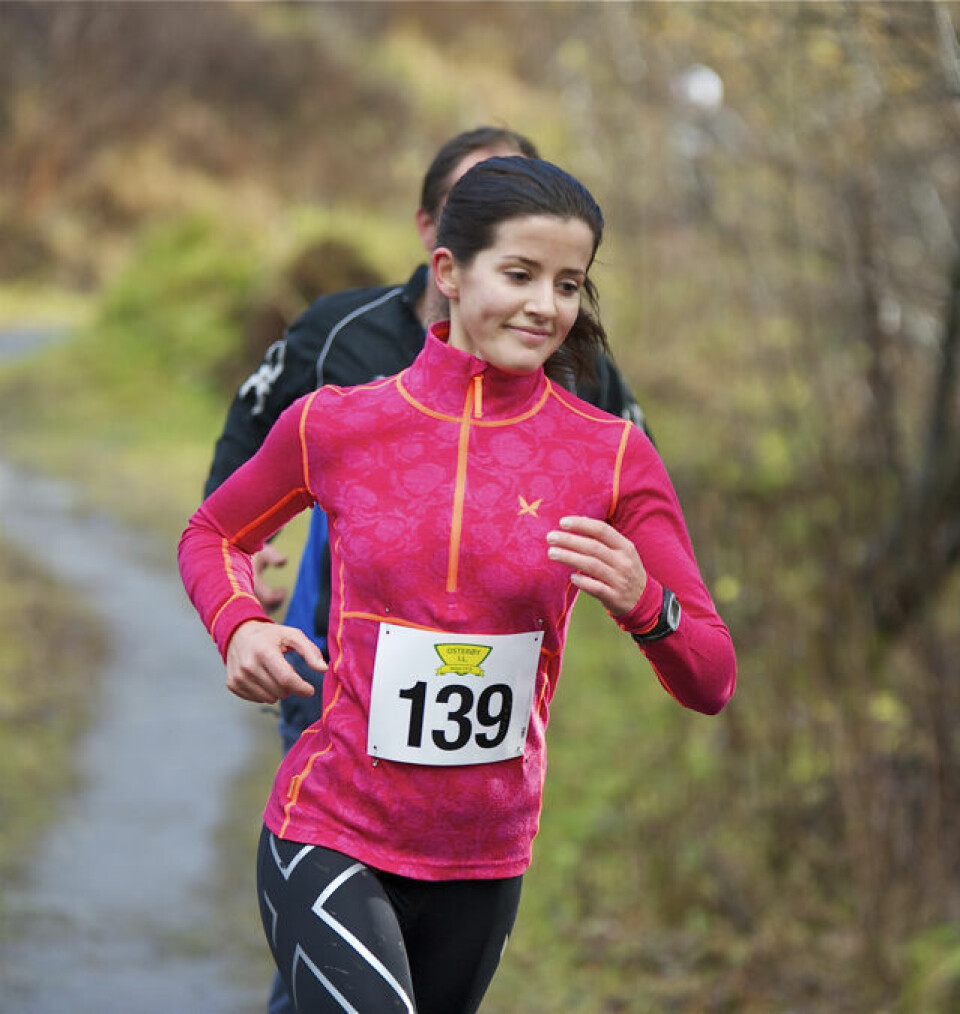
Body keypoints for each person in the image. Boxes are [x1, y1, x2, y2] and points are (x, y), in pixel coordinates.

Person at [179, 156, 736, 1014]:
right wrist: (240, 625)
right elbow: (213, 532)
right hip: (332, 827)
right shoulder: (340, 424)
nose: (545, 305)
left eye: (568, 284)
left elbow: (712, 678)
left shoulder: (611, 456)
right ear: (448, 270)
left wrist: (645, 604)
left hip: (484, 858)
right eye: (519, 274)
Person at [203, 126, 650, 756]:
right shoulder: (339, 331)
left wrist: (638, 596)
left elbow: (636, 491)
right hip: (333, 662)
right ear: (432, 233)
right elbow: (248, 438)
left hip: (490, 715)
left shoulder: (572, 362)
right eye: (477, 201)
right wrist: (245, 562)